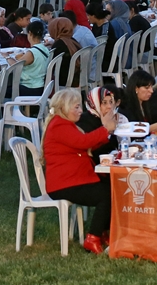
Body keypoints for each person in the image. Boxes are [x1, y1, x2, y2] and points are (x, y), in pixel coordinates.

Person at [42, 87, 118, 254]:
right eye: (76, 107)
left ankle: (101, 231)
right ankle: (93, 237)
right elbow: (83, 142)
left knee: (112, 187)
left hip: (72, 179)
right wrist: (105, 129)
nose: (80, 111)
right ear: (64, 108)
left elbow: (84, 145)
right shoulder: (59, 126)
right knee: (106, 194)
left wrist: (105, 135)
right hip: (64, 183)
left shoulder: (64, 124)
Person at [8, 20, 51, 97]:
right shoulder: (44, 48)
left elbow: (15, 66)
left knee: (0, 91)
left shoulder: (32, 53)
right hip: (40, 86)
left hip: (30, 88)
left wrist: (7, 57)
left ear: (30, 33)